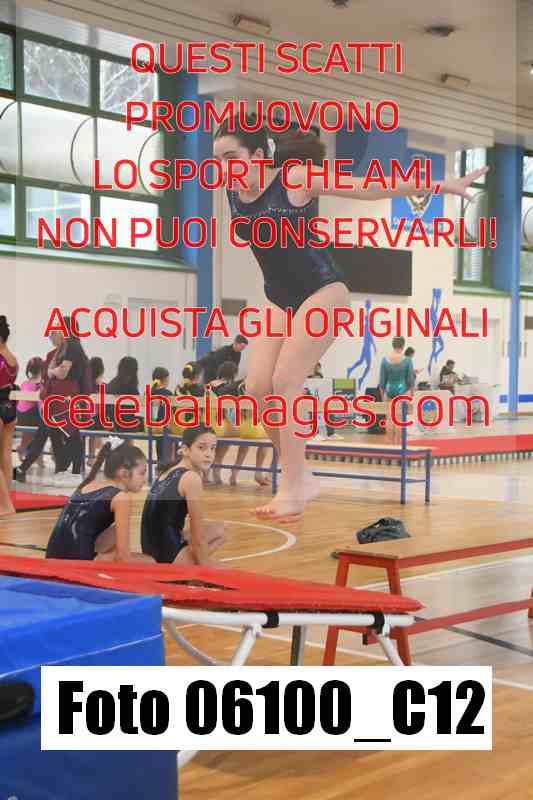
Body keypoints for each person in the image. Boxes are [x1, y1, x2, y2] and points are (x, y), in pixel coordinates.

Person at [214, 113, 486, 520]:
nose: (223, 168)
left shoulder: (295, 179)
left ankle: (292, 485)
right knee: (256, 389)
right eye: (217, 160)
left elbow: (367, 188)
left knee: (285, 380)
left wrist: (440, 184)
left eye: (231, 157)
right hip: (279, 297)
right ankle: (299, 475)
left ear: (258, 155)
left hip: (323, 290)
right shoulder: (233, 193)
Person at [14, 315, 90, 487]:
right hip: (54, 401)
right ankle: (60, 470)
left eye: (58, 329)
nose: (54, 333)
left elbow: (62, 374)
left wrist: (52, 372)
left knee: (69, 435)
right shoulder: (59, 352)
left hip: (65, 400)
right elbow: (51, 376)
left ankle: (69, 472)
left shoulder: (72, 348)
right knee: (56, 435)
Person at [46, 437, 148, 561]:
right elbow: (123, 557)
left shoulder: (88, 485)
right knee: (149, 561)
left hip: (52, 559)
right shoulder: (121, 498)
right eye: (142, 473)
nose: (145, 480)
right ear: (124, 473)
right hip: (76, 565)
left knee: (115, 533)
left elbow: (95, 541)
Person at [141, 424, 225, 564]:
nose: (209, 454)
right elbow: (198, 538)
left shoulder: (170, 470)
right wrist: (207, 568)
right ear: (185, 450)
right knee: (222, 570)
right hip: (168, 555)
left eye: (213, 448)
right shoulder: (191, 478)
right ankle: (187, 568)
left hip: (151, 548)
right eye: (201, 447)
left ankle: (189, 565)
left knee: (220, 530)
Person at [379, 337, 416, 444]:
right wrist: (412, 394)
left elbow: (382, 381)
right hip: (402, 390)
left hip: (389, 390)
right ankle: (398, 443)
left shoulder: (385, 360)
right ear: (403, 346)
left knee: (389, 419)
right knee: (399, 419)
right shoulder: (407, 360)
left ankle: (390, 444)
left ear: (393, 345)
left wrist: (382, 397)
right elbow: (410, 379)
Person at [0, 316, 18, 516]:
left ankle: (4, 504)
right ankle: (6, 499)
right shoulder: (12, 358)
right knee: (5, 453)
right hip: (9, 407)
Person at [106, 356, 144, 436]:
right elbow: (137, 406)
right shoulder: (131, 386)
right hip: (126, 423)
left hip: (113, 422)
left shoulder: (113, 383)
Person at [16, 356, 44, 464]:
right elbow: (41, 406)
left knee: (33, 428)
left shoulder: (24, 383)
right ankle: (33, 452)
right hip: (31, 419)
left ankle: (26, 448)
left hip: (20, 417)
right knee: (44, 423)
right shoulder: (40, 384)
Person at [87, 356, 105, 465]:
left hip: (84, 417)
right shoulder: (100, 385)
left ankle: (92, 457)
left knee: (95, 435)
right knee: (95, 432)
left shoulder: (85, 383)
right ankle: (92, 457)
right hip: (95, 418)